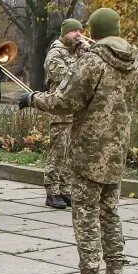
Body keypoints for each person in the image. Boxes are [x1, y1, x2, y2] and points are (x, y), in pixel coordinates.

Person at [18, 7, 138, 274]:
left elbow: (66, 100)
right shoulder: (134, 63)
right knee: (110, 212)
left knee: (85, 215)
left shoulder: (93, 61)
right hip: (116, 148)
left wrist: (33, 99)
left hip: (89, 148)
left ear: (95, 31)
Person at [41, 18, 85, 208]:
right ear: (65, 33)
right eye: (74, 31)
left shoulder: (77, 52)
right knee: (58, 151)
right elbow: (67, 78)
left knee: (71, 153)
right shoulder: (55, 53)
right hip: (60, 110)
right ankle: (52, 191)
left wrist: (85, 56)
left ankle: (65, 189)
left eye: (81, 31)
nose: (79, 35)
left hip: (76, 110)